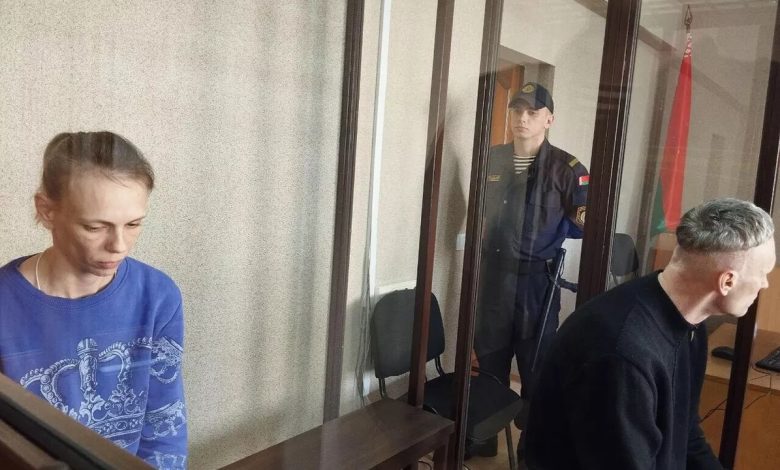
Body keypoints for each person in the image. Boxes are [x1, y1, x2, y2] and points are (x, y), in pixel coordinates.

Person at [523, 197, 775, 469]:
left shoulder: (690, 322)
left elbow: (686, 436)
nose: (765, 284)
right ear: (727, 281)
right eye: (763, 273)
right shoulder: (621, 354)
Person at [0, 131, 188, 469]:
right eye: (95, 227)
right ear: (47, 210)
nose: (119, 245)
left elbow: (164, 426)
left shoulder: (158, 296)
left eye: (133, 224)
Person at [470, 82, 588, 457]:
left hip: (537, 281)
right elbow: (478, 210)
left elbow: (582, 225)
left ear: (548, 120)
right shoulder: (491, 158)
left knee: (536, 365)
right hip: (494, 275)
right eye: (517, 110)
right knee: (490, 359)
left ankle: (531, 450)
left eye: (533, 112)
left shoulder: (567, 169)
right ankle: (484, 438)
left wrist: (544, 239)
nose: (522, 118)